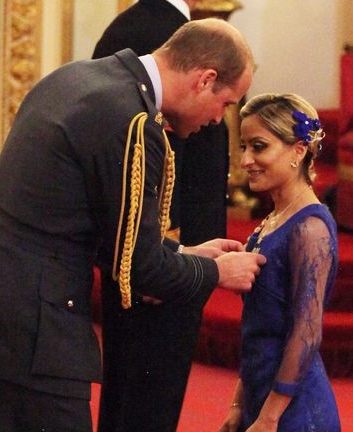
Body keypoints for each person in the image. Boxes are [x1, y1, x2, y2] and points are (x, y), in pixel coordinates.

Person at [0, 18, 266, 431]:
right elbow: (140, 270)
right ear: (205, 80)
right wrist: (216, 272)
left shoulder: (78, 77)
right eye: (226, 104)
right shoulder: (132, 121)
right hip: (33, 331)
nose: (218, 120)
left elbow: (77, 217)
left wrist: (183, 252)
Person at [91, 1, 233, 430]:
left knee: (126, 390)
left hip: (141, 252)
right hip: (164, 262)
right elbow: (157, 162)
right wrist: (172, 260)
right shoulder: (175, 35)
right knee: (148, 401)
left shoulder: (127, 25)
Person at [219, 93, 341, 431]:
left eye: (259, 147)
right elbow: (257, 329)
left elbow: (306, 331)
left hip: (295, 411)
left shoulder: (310, 228)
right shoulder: (272, 220)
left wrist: (270, 416)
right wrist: (239, 405)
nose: (246, 160)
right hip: (261, 399)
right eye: (244, 147)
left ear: (299, 151)